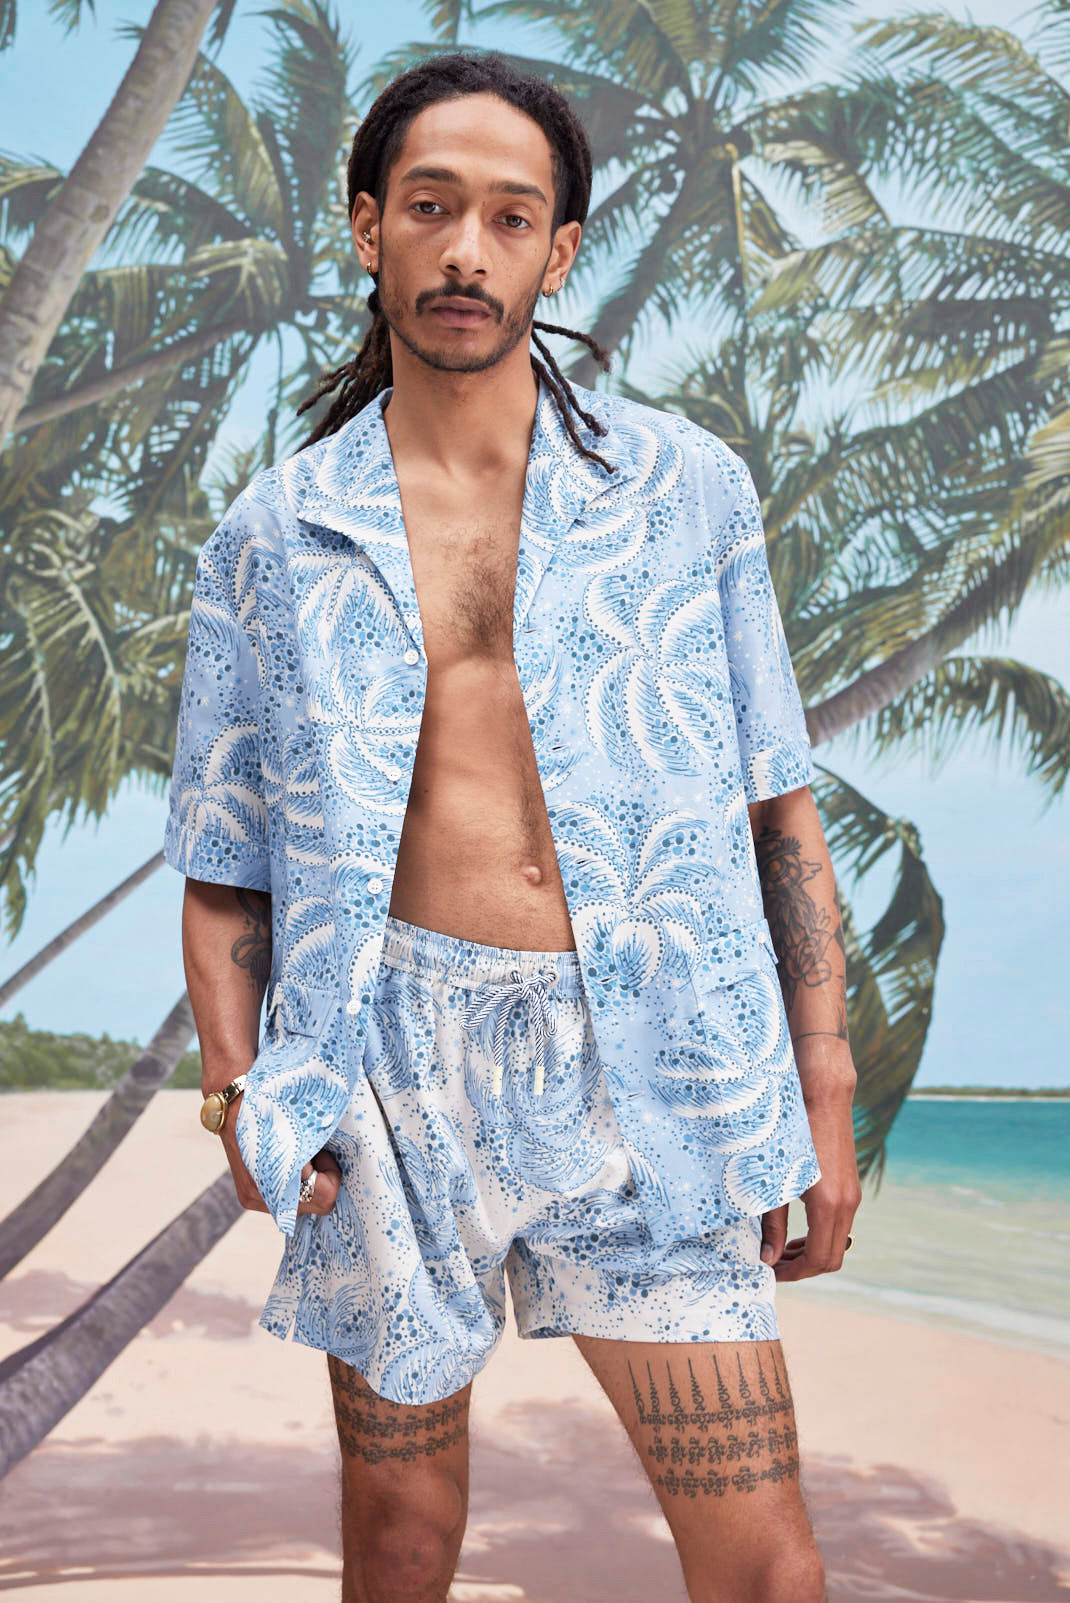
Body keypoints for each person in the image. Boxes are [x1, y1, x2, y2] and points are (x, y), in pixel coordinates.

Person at [164, 49, 861, 1603]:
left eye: (506, 216)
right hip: (390, 1070)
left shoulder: (685, 490)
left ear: (556, 251)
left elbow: (774, 800)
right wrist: (242, 1102)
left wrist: (821, 1086)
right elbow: (224, 868)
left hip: (655, 1059)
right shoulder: (275, 533)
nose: (465, 249)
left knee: (765, 1563)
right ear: (367, 229)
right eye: (429, 207)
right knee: (401, 1552)